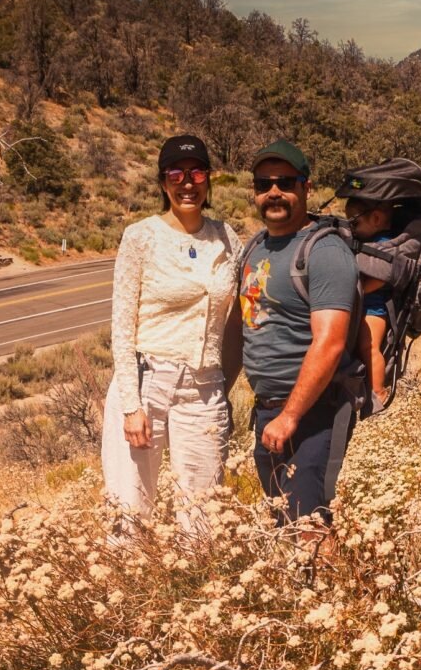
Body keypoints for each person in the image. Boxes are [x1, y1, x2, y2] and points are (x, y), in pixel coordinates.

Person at [101, 134, 242, 528]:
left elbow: (242, 314)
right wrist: (132, 405)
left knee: (202, 514)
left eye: (197, 172)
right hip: (147, 385)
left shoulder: (227, 238)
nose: (187, 182)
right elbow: (122, 325)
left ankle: (192, 586)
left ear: (209, 179)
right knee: (130, 512)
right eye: (176, 173)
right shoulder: (141, 236)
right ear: (163, 182)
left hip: (204, 389)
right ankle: (128, 586)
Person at [233, 139, 358, 524]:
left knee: (310, 526)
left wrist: (290, 416)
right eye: (263, 183)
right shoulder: (256, 247)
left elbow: (330, 342)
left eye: (285, 182)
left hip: (312, 411)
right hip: (269, 412)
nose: (273, 191)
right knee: (282, 523)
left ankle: (335, 586)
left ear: (306, 187)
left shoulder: (325, 252)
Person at [344, 197, 395, 407]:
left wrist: (358, 290)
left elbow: (382, 277)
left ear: (375, 218)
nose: (351, 228)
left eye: (354, 223)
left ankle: (378, 391)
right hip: (362, 306)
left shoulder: (384, 244)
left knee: (369, 347)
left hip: (374, 308)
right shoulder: (368, 241)